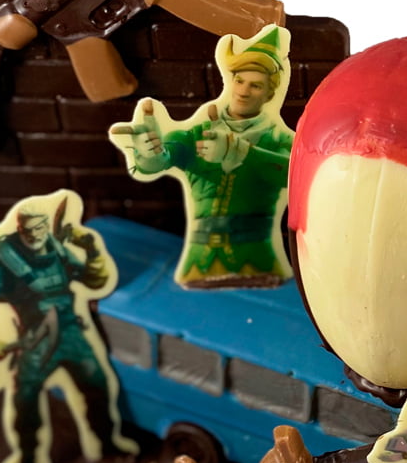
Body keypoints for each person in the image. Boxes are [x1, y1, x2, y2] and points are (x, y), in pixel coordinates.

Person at [0, 190, 138, 463]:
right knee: (25, 398)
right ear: (19, 228)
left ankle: (107, 446)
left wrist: (91, 251)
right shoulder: (2, 256)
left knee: (98, 386)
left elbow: (94, 281)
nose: (37, 235)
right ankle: (28, 459)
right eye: (30, 230)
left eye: (41, 228)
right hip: (34, 340)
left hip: (71, 332)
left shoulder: (55, 248)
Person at [110, 24, 293, 288]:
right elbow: (164, 158)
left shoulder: (280, 140)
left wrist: (243, 152)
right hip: (200, 266)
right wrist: (149, 152)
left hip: (259, 264)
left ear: (269, 93)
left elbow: (297, 176)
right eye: (239, 81)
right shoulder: (197, 132)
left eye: (255, 86)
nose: (243, 91)